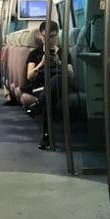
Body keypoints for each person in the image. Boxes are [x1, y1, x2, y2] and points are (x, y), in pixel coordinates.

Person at [25, 21, 72, 150]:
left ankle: (39, 108)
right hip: (41, 86)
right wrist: (41, 64)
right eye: (47, 36)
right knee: (49, 97)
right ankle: (46, 135)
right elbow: (29, 76)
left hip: (60, 85)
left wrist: (60, 63)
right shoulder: (34, 54)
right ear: (41, 35)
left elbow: (71, 74)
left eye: (53, 36)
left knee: (58, 78)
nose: (51, 40)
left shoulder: (63, 52)